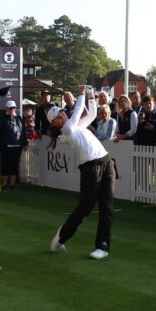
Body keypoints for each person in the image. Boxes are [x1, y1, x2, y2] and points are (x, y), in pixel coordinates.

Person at [48, 85, 115, 260]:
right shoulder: (68, 130)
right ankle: (62, 236)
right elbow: (78, 110)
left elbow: (91, 114)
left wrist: (91, 95)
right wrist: (81, 93)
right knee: (85, 208)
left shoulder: (75, 126)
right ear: (54, 123)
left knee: (107, 207)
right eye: (57, 116)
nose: (61, 114)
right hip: (90, 169)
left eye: (61, 112)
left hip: (106, 162)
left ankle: (103, 246)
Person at [0, 100, 28, 191]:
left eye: (13, 108)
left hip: (17, 146)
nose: (12, 109)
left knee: (14, 165)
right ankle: (4, 184)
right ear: (6, 109)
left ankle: (12, 184)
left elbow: (23, 131)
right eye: (10, 108)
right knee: (5, 165)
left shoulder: (19, 118)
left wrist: (25, 143)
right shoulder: (1, 119)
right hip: (6, 146)